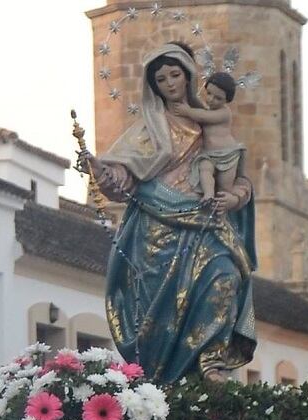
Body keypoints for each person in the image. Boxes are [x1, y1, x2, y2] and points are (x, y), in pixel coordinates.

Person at [80, 42, 257, 383]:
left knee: (227, 275)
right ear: (153, 86)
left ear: (189, 76)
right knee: (157, 312)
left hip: (206, 221)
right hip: (156, 230)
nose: (170, 84)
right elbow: (124, 175)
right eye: (161, 79)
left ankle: (210, 360)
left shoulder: (210, 122)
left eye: (175, 75)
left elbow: (237, 173)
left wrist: (234, 198)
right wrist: (104, 171)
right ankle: (160, 379)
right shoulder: (148, 128)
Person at [171, 72, 245, 203]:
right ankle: (209, 195)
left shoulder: (224, 113)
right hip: (209, 154)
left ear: (227, 100)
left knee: (224, 187)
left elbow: (204, 117)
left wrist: (187, 111)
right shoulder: (207, 109)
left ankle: (221, 212)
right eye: (209, 94)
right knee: (204, 169)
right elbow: (201, 113)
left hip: (227, 155)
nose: (211, 99)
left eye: (218, 98)